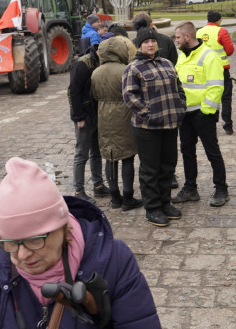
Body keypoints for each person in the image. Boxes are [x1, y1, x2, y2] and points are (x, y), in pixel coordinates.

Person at [0, 156, 167, 329]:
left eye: (34, 240)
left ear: (63, 229)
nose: (22, 255)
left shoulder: (113, 261)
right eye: (10, 242)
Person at [122, 28, 186, 228]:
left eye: (153, 41)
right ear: (139, 45)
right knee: (150, 169)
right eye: (146, 42)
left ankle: (165, 203)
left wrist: (180, 107)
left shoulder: (167, 63)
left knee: (168, 166)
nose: (150, 45)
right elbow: (129, 96)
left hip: (170, 124)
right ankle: (153, 208)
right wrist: (150, 114)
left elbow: (179, 88)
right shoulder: (133, 68)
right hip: (147, 127)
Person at [172, 21, 228, 208]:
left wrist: (205, 111)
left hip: (203, 114)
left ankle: (221, 189)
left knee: (212, 152)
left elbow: (216, 86)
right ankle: (190, 188)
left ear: (187, 37)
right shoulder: (182, 55)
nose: (176, 40)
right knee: (187, 152)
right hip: (185, 114)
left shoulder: (209, 56)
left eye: (178, 37)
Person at [91, 36, 142, 211]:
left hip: (104, 115)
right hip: (124, 115)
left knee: (110, 156)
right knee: (127, 156)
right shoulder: (126, 70)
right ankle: (128, 198)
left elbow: (95, 95)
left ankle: (114, 197)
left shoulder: (96, 72)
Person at [66, 36, 107, 201]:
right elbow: (73, 92)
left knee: (96, 152)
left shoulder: (103, 61)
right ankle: (79, 190)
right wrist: (78, 117)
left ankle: (98, 185)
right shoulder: (82, 64)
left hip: (98, 115)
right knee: (81, 154)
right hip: (85, 116)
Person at [197, 11, 235, 135]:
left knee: (207, 96)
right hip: (221, 69)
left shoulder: (199, 32)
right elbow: (230, 50)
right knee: (226, 97)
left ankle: (208, 123)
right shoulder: (221, 31)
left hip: (204, 70)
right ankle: (228, 125)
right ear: (219, 20)